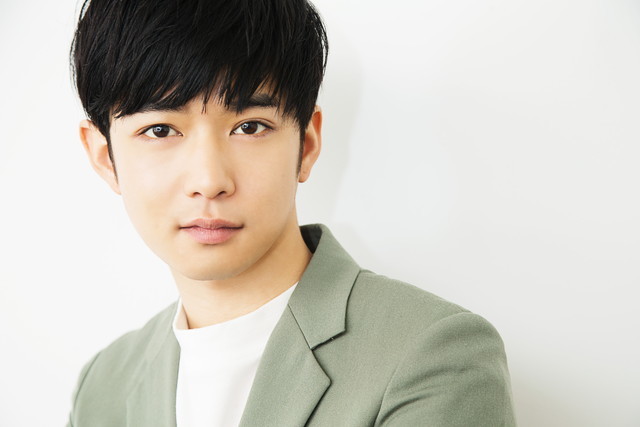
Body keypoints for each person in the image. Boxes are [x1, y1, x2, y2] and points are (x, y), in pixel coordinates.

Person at [67, 0, 516, 425]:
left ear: (307, 144)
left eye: (250, 127)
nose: (209, 180)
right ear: (104, 158)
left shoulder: (431, 354)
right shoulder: (103, 384)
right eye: (160, 130)